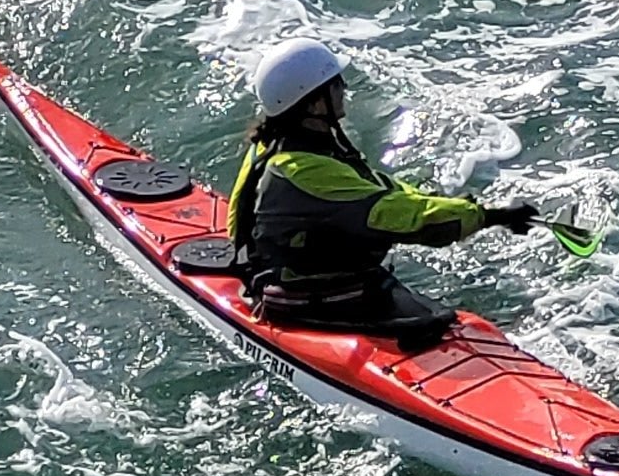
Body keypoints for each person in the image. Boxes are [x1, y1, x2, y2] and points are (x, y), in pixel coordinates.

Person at [224, 38, 537, 338]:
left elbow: (383, 190)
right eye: (336, 85)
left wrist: (464, 208)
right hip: (309, 298)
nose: (343, 89)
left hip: (289, 279)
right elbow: (401, 216)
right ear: (315, 103)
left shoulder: (276, 145)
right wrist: (489, 217)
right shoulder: (303, 170)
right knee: (440, 323)